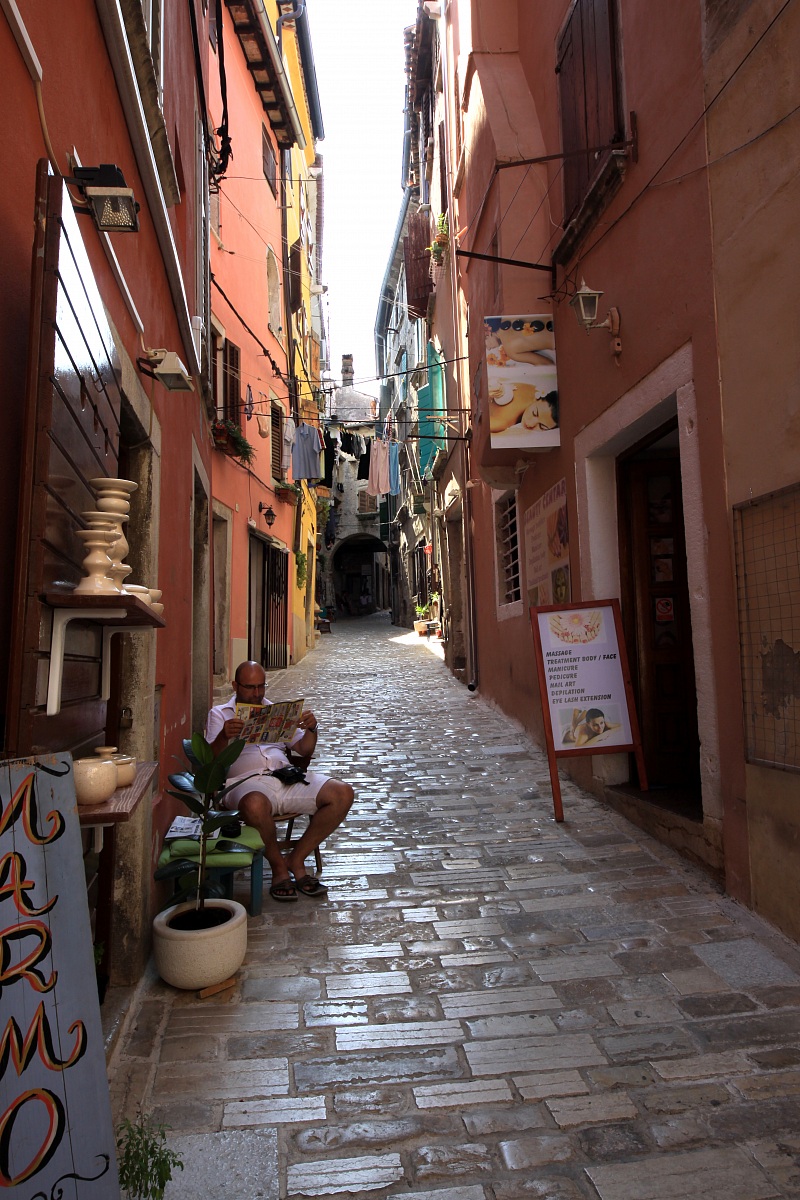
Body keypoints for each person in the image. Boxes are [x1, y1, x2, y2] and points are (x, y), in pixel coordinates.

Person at [205, 661, 354, 901]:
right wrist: (223, 736)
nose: (256, 693)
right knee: (254, 804)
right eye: (250, 687)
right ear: (235, 685)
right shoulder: (219, 714)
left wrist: (312, 729)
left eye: (261, 686)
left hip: (285, 776)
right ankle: (278, 869)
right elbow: (210, 762)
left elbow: (304, 749)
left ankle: (296, 859)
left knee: (342, 793)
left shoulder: (276, 711)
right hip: (244, 783)